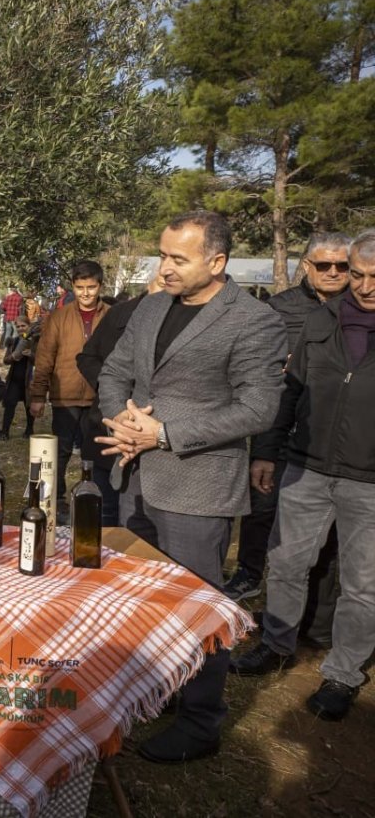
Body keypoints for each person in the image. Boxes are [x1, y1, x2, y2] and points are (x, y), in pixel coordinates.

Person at [96, 211, 286, 763]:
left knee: (199, 609)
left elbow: (258, 407)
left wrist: (165, 434)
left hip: (197, 489)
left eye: (179, 258)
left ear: (217, 262)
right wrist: (123, 424)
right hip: (132, 476)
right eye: (163, 254)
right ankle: (159, 691)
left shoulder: (254, 321)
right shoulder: (152, 306)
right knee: (142, 597)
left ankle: (202, 720)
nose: (165, 267)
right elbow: (113, 373)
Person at [229, 231, 375, 722]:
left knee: (362, 584)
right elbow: (289, 392)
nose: (363, 285)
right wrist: (267, 453)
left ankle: (343, 674)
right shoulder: (320, 319)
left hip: (369, 482)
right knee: (287, 562)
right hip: (306, 467)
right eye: (357, 274)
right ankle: (276, 644)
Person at [222, 232, 351, 622]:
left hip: (333, 434)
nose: (332, 272)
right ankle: (249, 573)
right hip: (276, 422)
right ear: (306, 266)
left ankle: (317, 603)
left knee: (325, 527)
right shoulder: (280, 307)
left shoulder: (361, 310)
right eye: (323, 265)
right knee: (262, 506)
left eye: (341, 266)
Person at [75, 274, 165, 526]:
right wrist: (111, 389)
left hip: (152, 433)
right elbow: (87, 357)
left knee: (139, 521)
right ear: (150, 284)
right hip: (106, 425)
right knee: (101, 512)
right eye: (160, 283)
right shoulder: (120, 315)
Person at [28, 260, 109, 520]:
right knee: (60, 452)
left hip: (101, 397)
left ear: (100, 286)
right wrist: (39, 395)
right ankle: (56, 499)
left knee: (96, 452)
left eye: (91, 287)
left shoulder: (112, 315)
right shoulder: (58, 317)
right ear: (73, 287)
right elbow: (45, 358)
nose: (86, 293)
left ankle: (94, 496)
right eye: (80, 287)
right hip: (65, 395)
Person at [0, 315, 38, 440]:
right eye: (18, 326)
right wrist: (13, 357)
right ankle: (5, 432)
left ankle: (29, 430)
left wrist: (31, 355)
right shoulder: (14, 341)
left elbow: (42, 360)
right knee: (10, 404)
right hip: (14, 379)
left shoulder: (36, 341)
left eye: (23, 326)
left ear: (29, 326)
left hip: (29, 380)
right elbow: (6, 360)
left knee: (28, 406)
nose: (21, 328)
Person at [0, 285, 24, 349]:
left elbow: (3, 307)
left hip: (8, 317)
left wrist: (7, 310)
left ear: (11, 290)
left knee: (8, 332)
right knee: (15, 332)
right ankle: (12, 346)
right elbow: (21, 308)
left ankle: (5, 346)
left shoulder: (7, 297)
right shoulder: (19, 298)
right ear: (16, 290)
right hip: (15, 317)